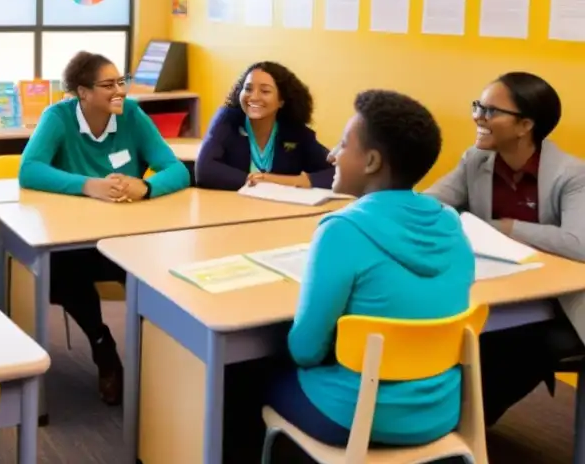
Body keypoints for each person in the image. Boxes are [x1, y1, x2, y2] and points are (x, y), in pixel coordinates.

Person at [253, 90, 475, 451]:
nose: (332, 155)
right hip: (439, 413)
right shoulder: (452, 223)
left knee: (245, 375)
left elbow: (305, 351)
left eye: (342, 144)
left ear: (371, 161)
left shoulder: (342, 229)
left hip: (356, 415)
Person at [19, 51, 190, 406]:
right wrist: (88, 185)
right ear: (82, 92)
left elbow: (177, 170)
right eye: (109, 85)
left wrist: (147, 187)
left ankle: (165, 364)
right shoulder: (58, 118)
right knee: (65, 272)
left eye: (121, 82)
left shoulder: (132, 116)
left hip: (126, 237)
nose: (120, 91)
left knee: (155, 273)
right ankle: (103, 347)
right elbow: (29, 170)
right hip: (72, 241)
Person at [426, 71, 585, 425]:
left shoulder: (572, 174)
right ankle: (443, 423)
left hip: (560, 304)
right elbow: (432, 204)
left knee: (513, 346)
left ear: (525, 125)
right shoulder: (476, 160)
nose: (478, 118)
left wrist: (504, 228)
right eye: (477, 106)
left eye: (490, 111)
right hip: (496, 290)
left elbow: (578, 244)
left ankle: (462, 425)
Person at [195, 61, 333, 191]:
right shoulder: (227, 119)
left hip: (281, 211)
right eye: (248, 89)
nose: (254, 97)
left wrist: (295, 181)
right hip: (233, 207)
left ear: (281, 101)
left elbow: (338, 172)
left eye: (265, 91)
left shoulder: (295, 131)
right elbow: (204, 171)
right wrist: (253, 181)